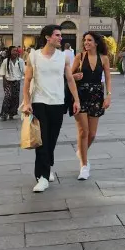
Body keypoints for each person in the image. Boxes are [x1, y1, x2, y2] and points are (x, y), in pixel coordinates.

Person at [21, 25, 80, 193]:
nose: (61, 38)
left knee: (52, 140)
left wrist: (76, 100)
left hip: (58, 102)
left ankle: (45, 167)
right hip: (39, 102)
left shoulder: (63, 57)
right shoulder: (34, 56)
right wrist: (27, 102)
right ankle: (43, 177)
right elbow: (27, 81)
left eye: (60, 35)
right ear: (47, 37)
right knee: (43, 141)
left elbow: (69, 80)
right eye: (57, 35)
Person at [70, 32, 112, 180]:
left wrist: (108, 95)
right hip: (80, 96)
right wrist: (74, 76)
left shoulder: (104, 58)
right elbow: (68, 75)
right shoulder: (79, 57)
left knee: (92, 134)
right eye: (85, 40)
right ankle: (84, 165)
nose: (86, 42)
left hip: (97, 96)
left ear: (96, 43)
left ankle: (82, 151)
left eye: (89, 40)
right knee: (84, 132)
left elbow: (107, 77)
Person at [0, 47, 25, 120]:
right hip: (8, 82)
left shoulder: (20, 61)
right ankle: (4, 114)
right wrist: (4, 83)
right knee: (7, 97)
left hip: (17, 82)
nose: (15, 52)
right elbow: (3, 72)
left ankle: (12, 113)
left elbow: (24, 71)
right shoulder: (5, 61)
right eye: (14, 51)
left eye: (16, 51)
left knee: (15, 98)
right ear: (10, 52)